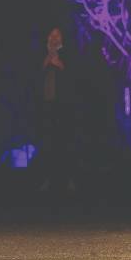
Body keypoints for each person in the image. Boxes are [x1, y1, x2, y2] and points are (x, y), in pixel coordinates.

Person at [37, 26, 77, 194]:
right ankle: (47, 179)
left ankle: (68, 180)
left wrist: (58, 63)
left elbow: (73, 78)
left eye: (57, 35)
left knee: (64, 144)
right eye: (51, 35)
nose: (54, 38)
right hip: (46, 107)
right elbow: (35, 75)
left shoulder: (68, 54)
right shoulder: (41, 54)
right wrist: (48, 60)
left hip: (63, 108)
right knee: (47, 144)